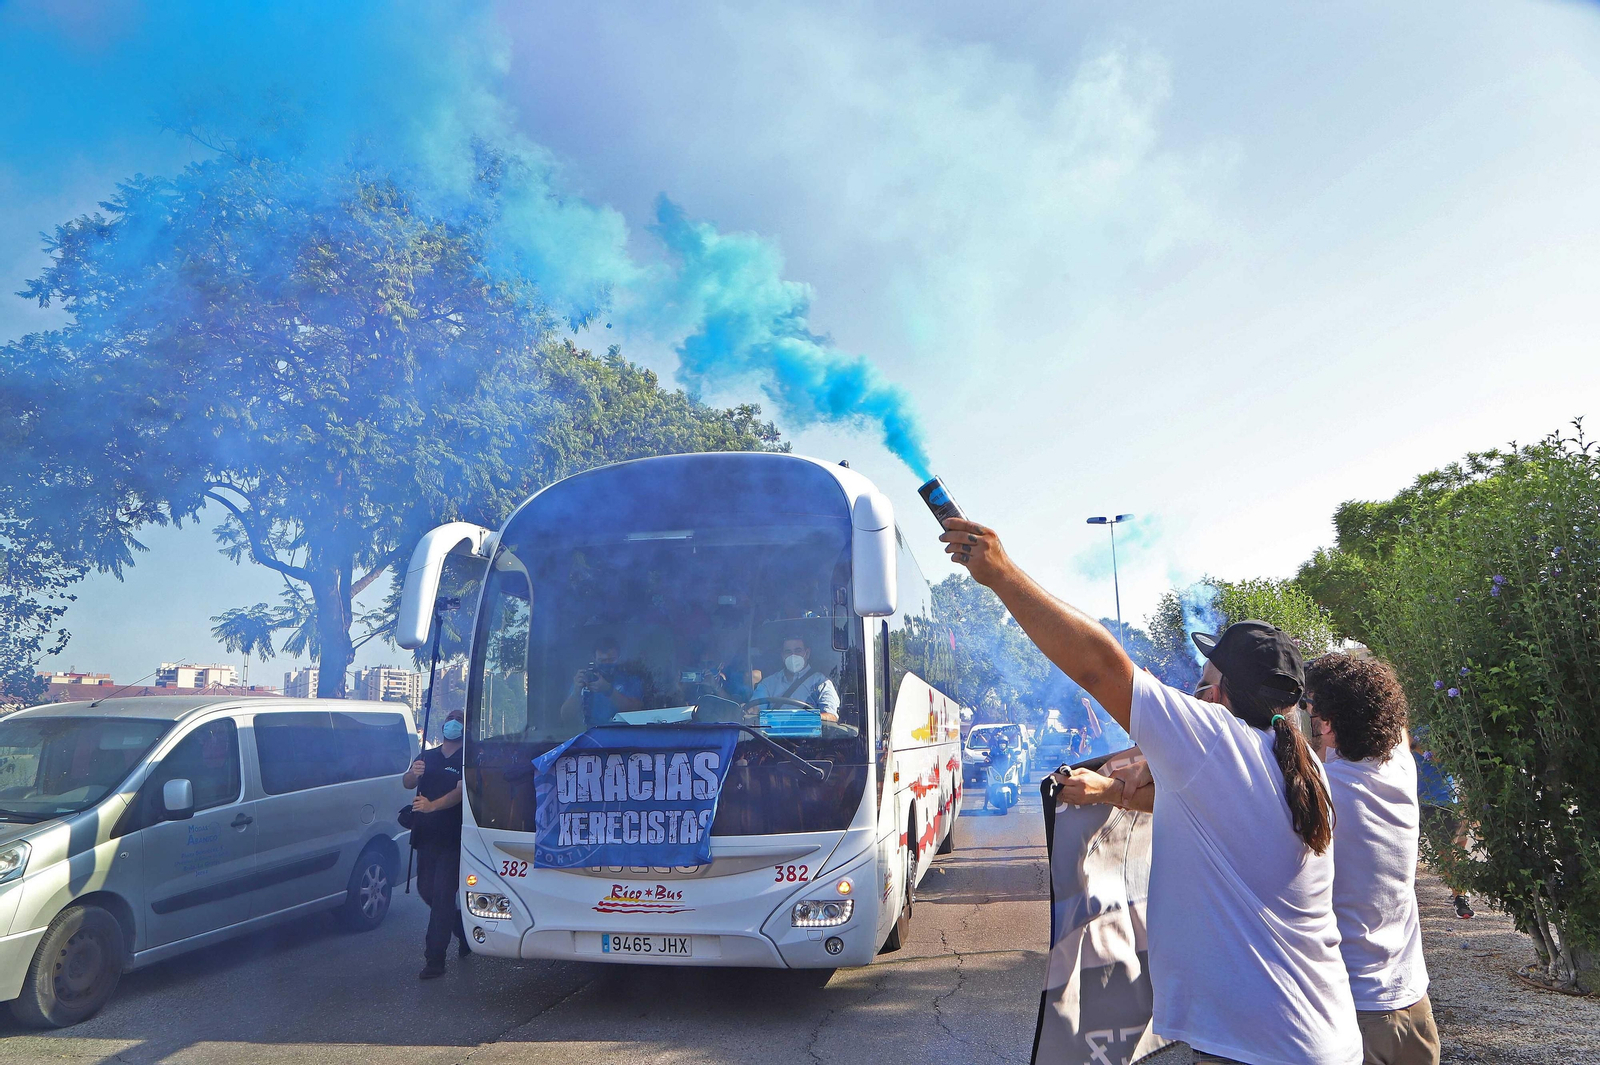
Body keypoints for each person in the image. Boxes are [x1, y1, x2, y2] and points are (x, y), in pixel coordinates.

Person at [941, 517, 1359, 1065]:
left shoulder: (1215, 738)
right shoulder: (1299, 764)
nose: (1195, 693)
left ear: (1219, 694)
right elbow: (1199, 813)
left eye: (1201, 684)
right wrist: (1116, 788)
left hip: (1261, 1048)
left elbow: (1099, 666)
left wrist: (1001, 573)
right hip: (1318, 1034)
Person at [1304, 654, 1440, 1065]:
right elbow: (1396, 727)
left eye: (1312, 711)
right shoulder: (1399, 768)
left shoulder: (1323, 795)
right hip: (1414, 1005)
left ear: (1327, 724)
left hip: (1356, 1011)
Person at [404, 708, 470, 979]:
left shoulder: (466, 758)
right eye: (449, 720)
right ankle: (462, 928)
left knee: (442, 896)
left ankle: (435, 959)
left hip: (452, 837)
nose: (452, 724)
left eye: (458, 721)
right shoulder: (427, 756)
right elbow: (407, 782)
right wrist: (414, 773)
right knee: (426, 891)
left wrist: (432, 806)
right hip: (426, 835)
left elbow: (459, 792)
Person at [1411, 730, 1475, 919]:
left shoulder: (1440, 722)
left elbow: (1443, 755)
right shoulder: (1405, 723)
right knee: (1402, 852)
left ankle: (1460, 897)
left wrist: (1412, 744)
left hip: (1441, 800)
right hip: (1407, 798)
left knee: (1447, 852)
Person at [559, 635, 644, 726]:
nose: (606, 664)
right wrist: (576, 692)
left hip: (623, 732)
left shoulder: (630, 680)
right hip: (592, 733)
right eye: (602, 660)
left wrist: (609, 690)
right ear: (594, 659)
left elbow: (637, 711)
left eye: (611, 660)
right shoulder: (586, 680)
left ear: (619, 658)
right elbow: (566, 717)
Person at [751, 635, 839, 722]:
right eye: (788, 652)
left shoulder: (821, 683)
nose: (793, 656)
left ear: (807, 653)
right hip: (771, 731)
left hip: (809, 731)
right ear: (782, 656)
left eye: (798, 650)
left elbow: (831, 716)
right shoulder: (768, 684)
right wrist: (751, 710)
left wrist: (805, 718)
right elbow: (754, 712)